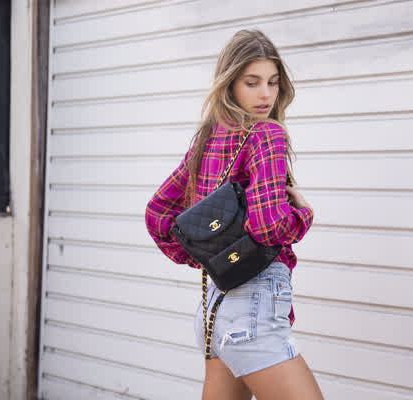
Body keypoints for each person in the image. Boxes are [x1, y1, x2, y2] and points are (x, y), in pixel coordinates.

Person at [144, 29, 324, 400]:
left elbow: (157, 212)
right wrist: (304, 215)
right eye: (252, 82)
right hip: (252, 310)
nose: (265, 95)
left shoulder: (208, 137)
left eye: (273, 82)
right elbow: (269, 226)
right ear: (230, 84)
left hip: (215, 307)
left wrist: (209, 257)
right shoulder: (266, 134)